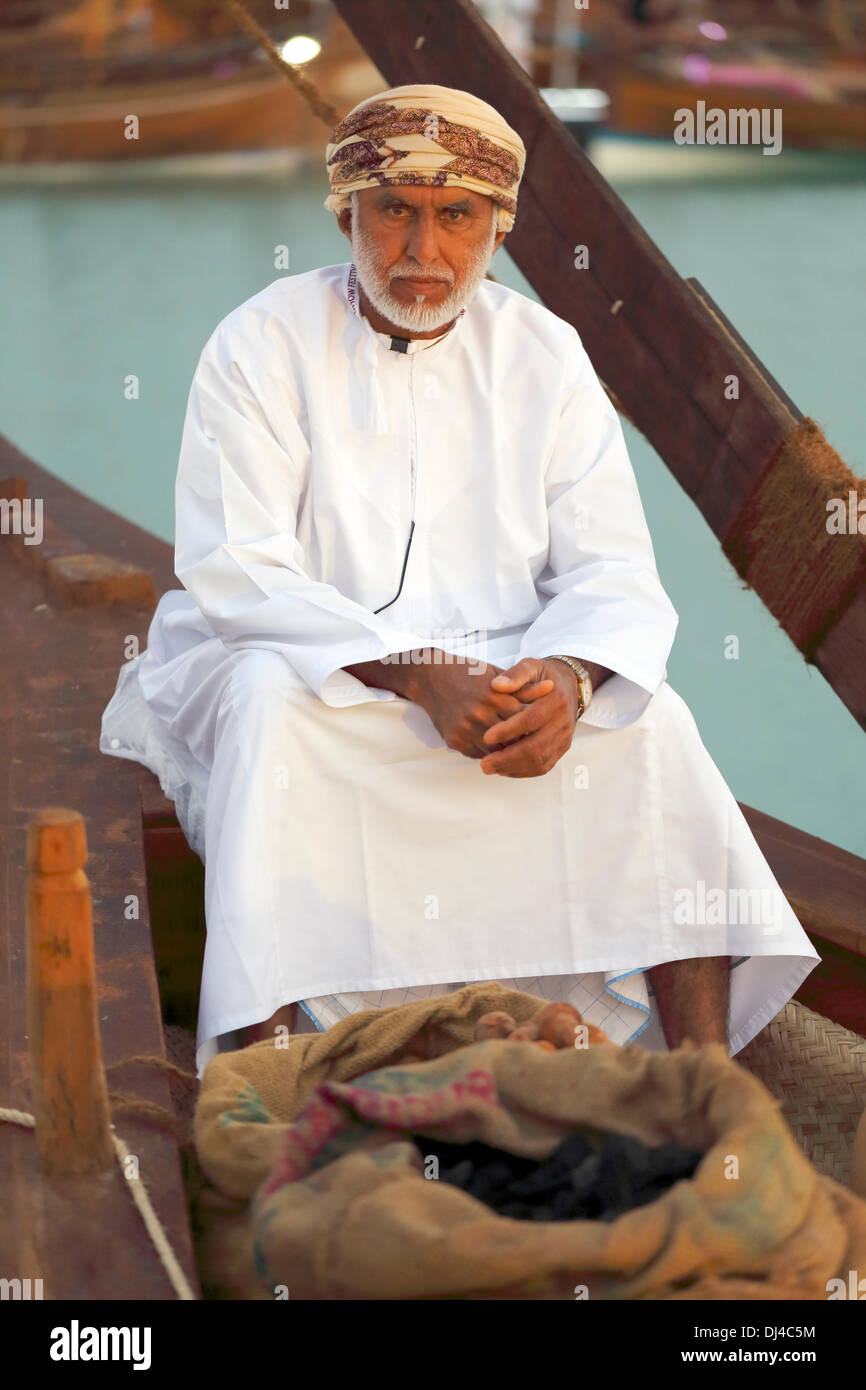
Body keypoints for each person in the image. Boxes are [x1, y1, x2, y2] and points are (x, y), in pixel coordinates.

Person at [100, 84, 818, 1078]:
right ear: (346, 213)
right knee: (271, 711)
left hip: (503, 662)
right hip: (303, 658)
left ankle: (701, 1073)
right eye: (393, 209)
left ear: (495, 225)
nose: (422, 250)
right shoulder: (259, 344)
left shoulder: (545, 354)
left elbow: (612, 570)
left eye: (455, 216)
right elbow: (238, 567)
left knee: (652, 725)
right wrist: (417, 674)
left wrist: (564, 683)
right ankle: (259, 1066)